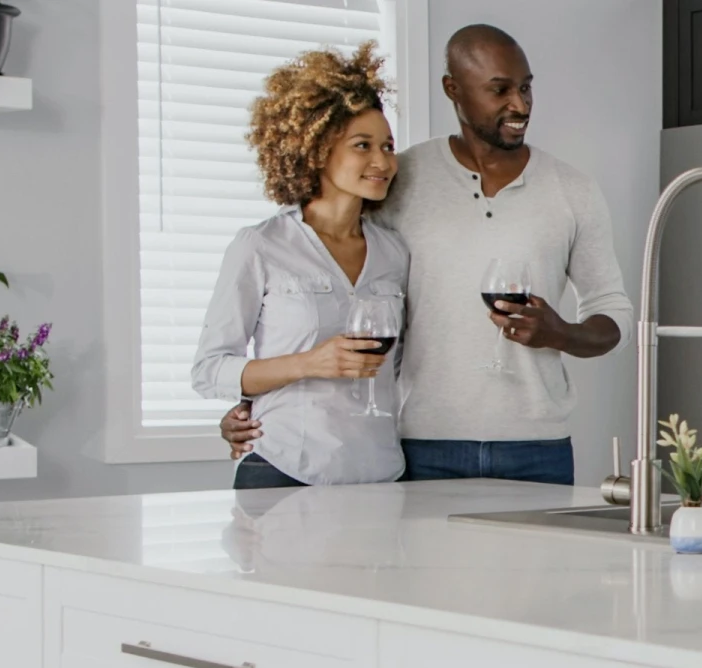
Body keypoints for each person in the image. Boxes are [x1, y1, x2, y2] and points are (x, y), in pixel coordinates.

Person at [221, 23, 634, 486]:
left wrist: (561, 333)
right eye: (499, 90)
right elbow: (330, 291)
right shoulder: (400, 178)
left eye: (525, 88)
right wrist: (257, 404)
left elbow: (613, 311)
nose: (520, 105)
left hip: (538, 447)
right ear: (453, 89)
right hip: (419, 444)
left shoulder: (573, 190)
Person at [192, 44, 408, 489]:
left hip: (381, 474)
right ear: (317, 149)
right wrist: (308, 363)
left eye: (388, 146)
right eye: (363, 146)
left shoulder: (395, 252)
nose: (383, 161)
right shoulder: (261, 246)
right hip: (284, 468)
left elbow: (403, 365)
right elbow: (210, 370)